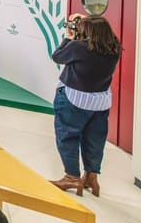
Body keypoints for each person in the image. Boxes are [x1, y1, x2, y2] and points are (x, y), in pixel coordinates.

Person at [49, 13, 121, 197]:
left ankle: (72, 177)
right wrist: (88, 20)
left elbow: (57, 56)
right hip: (100, 102)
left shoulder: (78, 47)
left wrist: (69, 37)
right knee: (94, 140)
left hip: (73, 99)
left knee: (67, 136)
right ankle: (91, 177)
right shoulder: (114, 47)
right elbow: (100, 30)